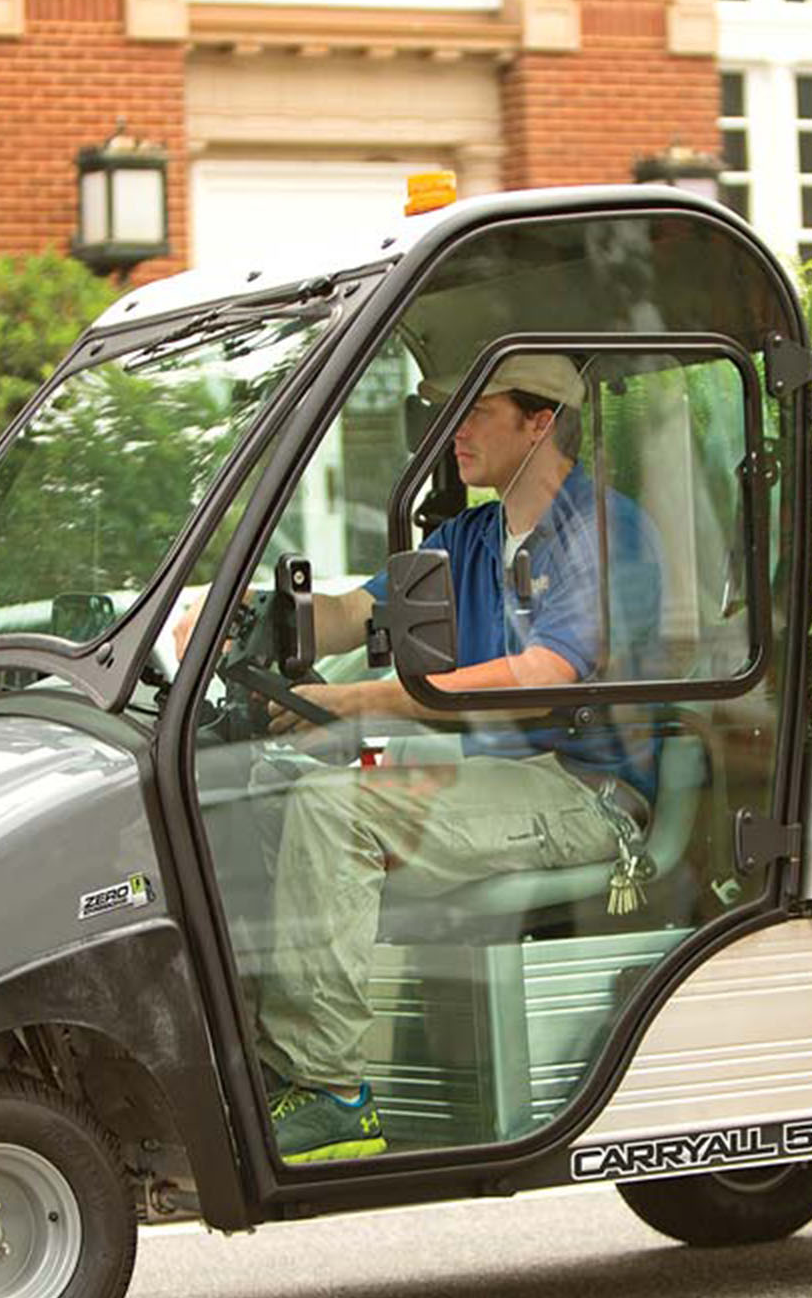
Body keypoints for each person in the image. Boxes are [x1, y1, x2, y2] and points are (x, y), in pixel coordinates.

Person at [180, 353, 663, 1162]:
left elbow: (545, 678)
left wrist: (361, 701)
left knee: (337, 810)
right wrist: (247, 613)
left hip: (585, 793)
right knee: (263, 788)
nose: (454, 430)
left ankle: (336, 1093)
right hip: (492, 782)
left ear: (539, 421)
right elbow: (357, 614)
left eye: (475, 410)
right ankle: (271, 1064)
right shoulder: (467, 537)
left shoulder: (603, 532)